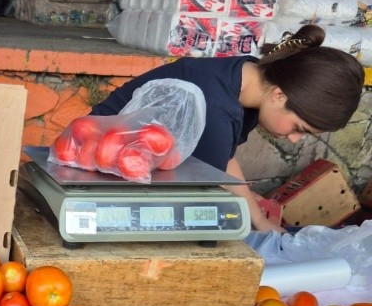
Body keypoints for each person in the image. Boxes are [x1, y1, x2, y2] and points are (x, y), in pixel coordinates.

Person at [90, 24, 365, 231]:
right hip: (98, 174)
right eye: (299, 128)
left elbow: (224, 160)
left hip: (135, 169)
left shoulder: (246, 77)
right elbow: (203, 188)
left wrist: (259, 219)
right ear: (279, 95)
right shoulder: (216, 107)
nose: (294, 139)